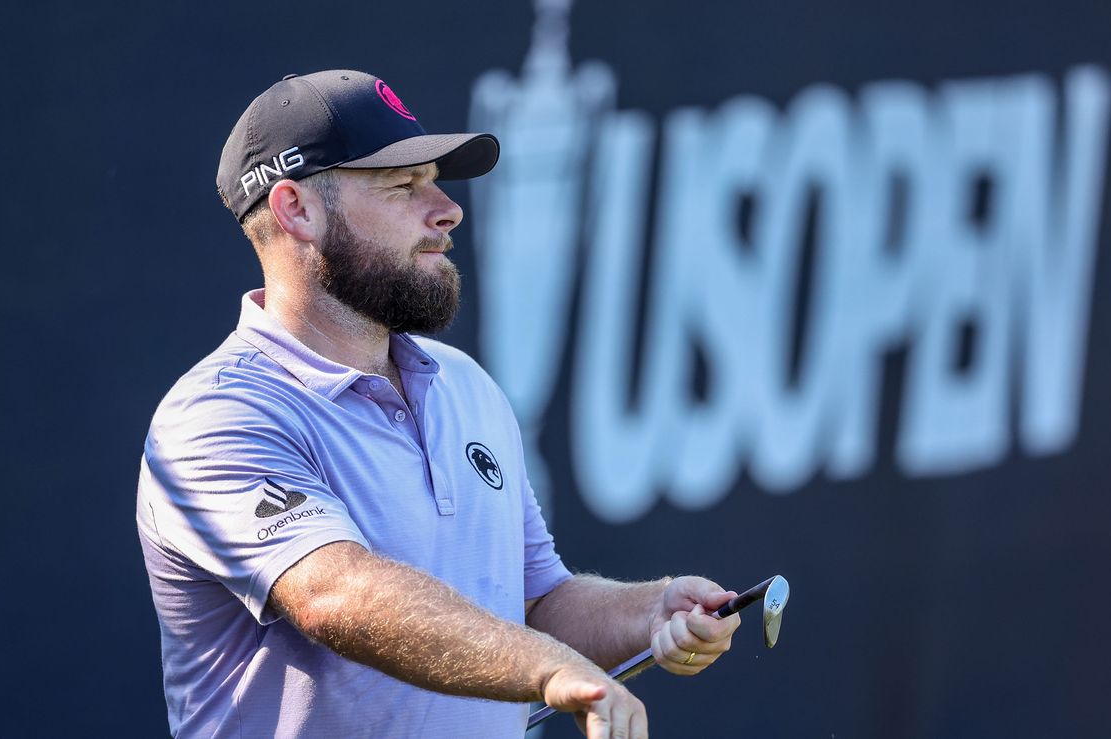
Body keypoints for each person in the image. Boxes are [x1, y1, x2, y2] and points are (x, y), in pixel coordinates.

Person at [136, 69, 741, 738]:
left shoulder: (465, 385)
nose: (447, 210)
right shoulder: (216, 416)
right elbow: (335, 595)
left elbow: (534, 601)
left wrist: (649, 610)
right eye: (402, 186)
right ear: (295, 209)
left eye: (434, 180)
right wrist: (545, 667)